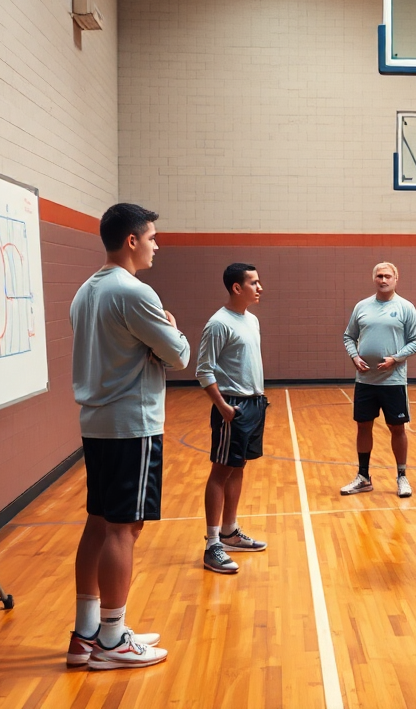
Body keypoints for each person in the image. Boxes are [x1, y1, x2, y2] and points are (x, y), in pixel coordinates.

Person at [68, 204, 190, 670]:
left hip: (97, 424)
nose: (157, 245)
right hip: (131, 425)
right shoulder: (134, 292)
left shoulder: (86, 291)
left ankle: (86, 634)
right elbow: (178, 355)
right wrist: (172, 329)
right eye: (153, 237)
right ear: (132, 240)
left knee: (98, 523)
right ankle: (114, 639)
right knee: (124, 528)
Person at [197, 263, 269, 575]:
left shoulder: (251, 320)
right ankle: (213, 543)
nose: (260, 287)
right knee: (220, 471)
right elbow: (203, 369)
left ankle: (229, 532)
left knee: (238, 467)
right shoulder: (218, 324)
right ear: (237, 288)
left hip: (254, 404)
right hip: (233, 407)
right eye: (254, 282)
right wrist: (223, 406)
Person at [341, 262, 416, 497]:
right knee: (363, 426)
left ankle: (402, 476)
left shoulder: (406, 307)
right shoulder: (362, 306)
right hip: (365, 381)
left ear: (396, 279)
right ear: (374, 279)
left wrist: (396, 359)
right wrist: (355, 357)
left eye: (388, 276)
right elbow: (348, 336)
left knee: (397, 429)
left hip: (393, 381)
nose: (383, 279)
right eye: (379, 276)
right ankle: (364, 477)